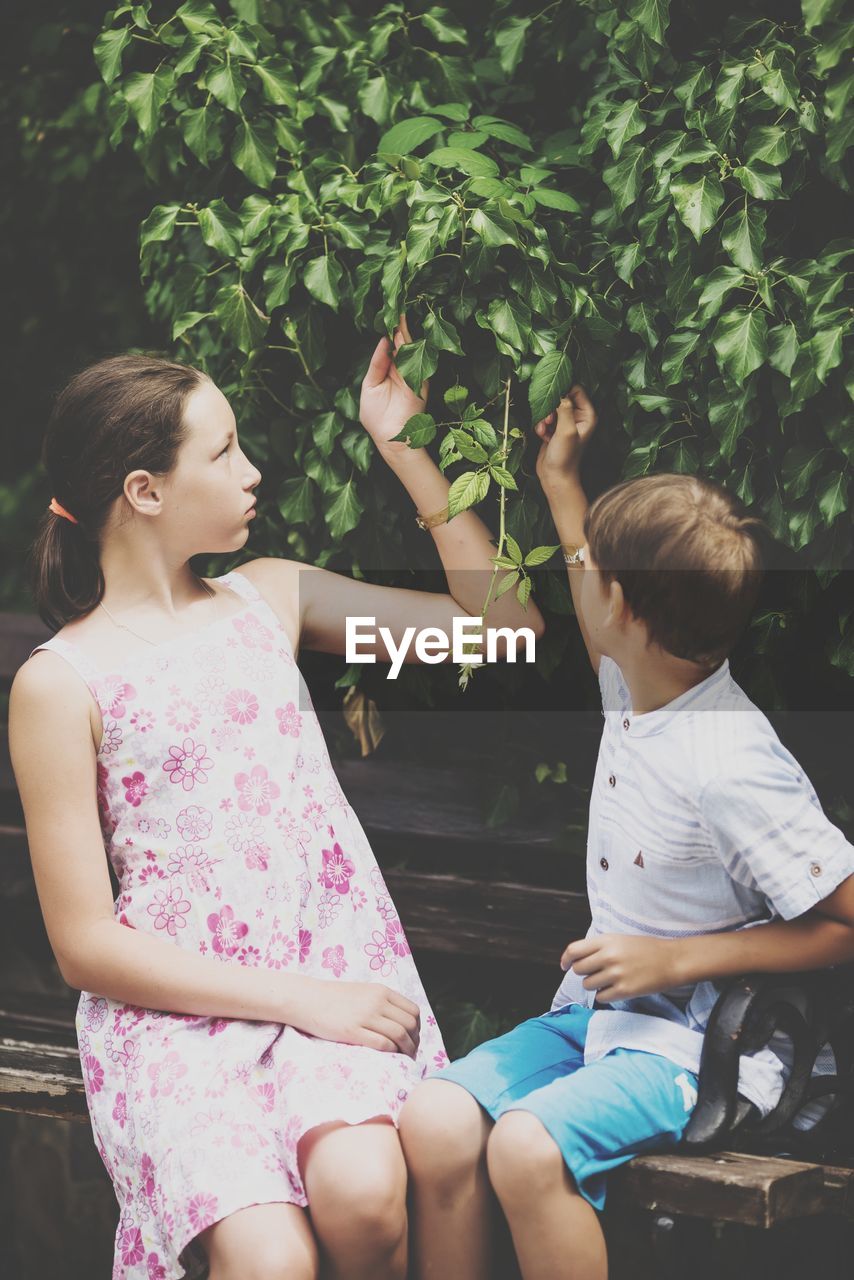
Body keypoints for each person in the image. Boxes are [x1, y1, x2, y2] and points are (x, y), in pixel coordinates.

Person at [8, 319, 544, 1280]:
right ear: (145, 492)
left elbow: (501, 630)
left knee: (367, 1196)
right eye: (224, 452)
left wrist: (406, 445)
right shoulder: (60, 684)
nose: (253, 471)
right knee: (272, 1262)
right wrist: (301, 1001)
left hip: (333, 976)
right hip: (174, 1026)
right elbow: (85, 945)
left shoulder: (272, 600)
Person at [399, 386, 854, 1280]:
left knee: (528, 1150)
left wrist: (674, 959)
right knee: (434, 1121)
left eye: (594, 572)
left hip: (714, 1047)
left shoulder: (729, 760)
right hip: (604, 1021)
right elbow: (589, 575)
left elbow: (845, 919)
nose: (580, 578)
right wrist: (559, 478)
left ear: (631, 612)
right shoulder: (643, 676)